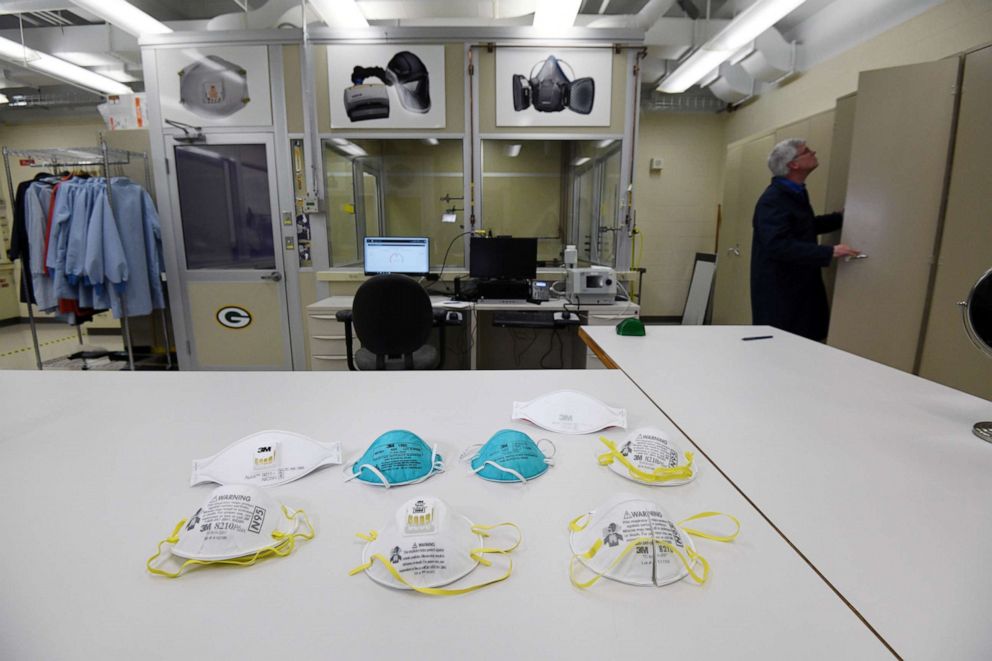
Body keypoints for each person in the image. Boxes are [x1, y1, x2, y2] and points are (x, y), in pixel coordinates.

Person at [750, 139, 860, 341]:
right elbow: (777, 245)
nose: (813, 152)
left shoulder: (794, 192)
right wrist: (829, 251)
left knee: (802, 342)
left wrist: (840, 218)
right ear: (793, 164)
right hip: (781, 291)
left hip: (798, 287)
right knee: (783, 347)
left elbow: (804, 225)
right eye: (807, 151)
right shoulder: (773, 200)